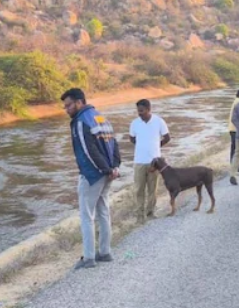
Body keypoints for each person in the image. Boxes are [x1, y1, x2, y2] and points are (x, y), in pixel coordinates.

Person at [62, 88, 121, 270]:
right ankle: (105, 252)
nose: (67, 110)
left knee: (87, 216)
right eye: (65, 107)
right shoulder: (100, 117)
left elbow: (88, 150)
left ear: (80, 102)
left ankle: (88, 258)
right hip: (107, 173)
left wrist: (105, 169)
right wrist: (114, 167)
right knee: (103, 213)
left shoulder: (80, 121)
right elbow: (114, 143)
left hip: (92, 175)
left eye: (69, 105)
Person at [129, 99, 171, 222]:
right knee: (138, 190)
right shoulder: (134, 123)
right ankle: (139, 216)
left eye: (141, 111)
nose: (139, 113)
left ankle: (150, 213)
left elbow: (167, 137)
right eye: (138, 111)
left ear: (148, 109)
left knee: (152, 189)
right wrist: (142, 146)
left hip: (154, 162)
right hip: (139, 161)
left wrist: (157, 146)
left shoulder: (159, 121)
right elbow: (132, 138)